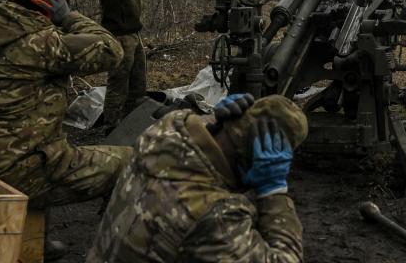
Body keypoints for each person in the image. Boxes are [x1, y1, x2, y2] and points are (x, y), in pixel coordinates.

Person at [0, 0, 132, 210]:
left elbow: (5, 19)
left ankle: (33, 240)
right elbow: (112, 51)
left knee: (43, 147)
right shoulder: (45, 45)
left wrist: (13, 6)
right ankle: (112, 243)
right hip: (15, 174)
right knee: (131, 161)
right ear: (49, 11)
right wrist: (68, 17)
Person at [86, 94, 307, 263]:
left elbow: (191, 125)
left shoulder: (167, 129)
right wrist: (273, 191)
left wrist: (213, 119)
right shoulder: (217, 215)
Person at [94, 0, 150, 128]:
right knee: (119, 80)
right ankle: (112, 125)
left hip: (134, 34)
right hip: (118, 34)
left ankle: (132, 121)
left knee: (138, 80)